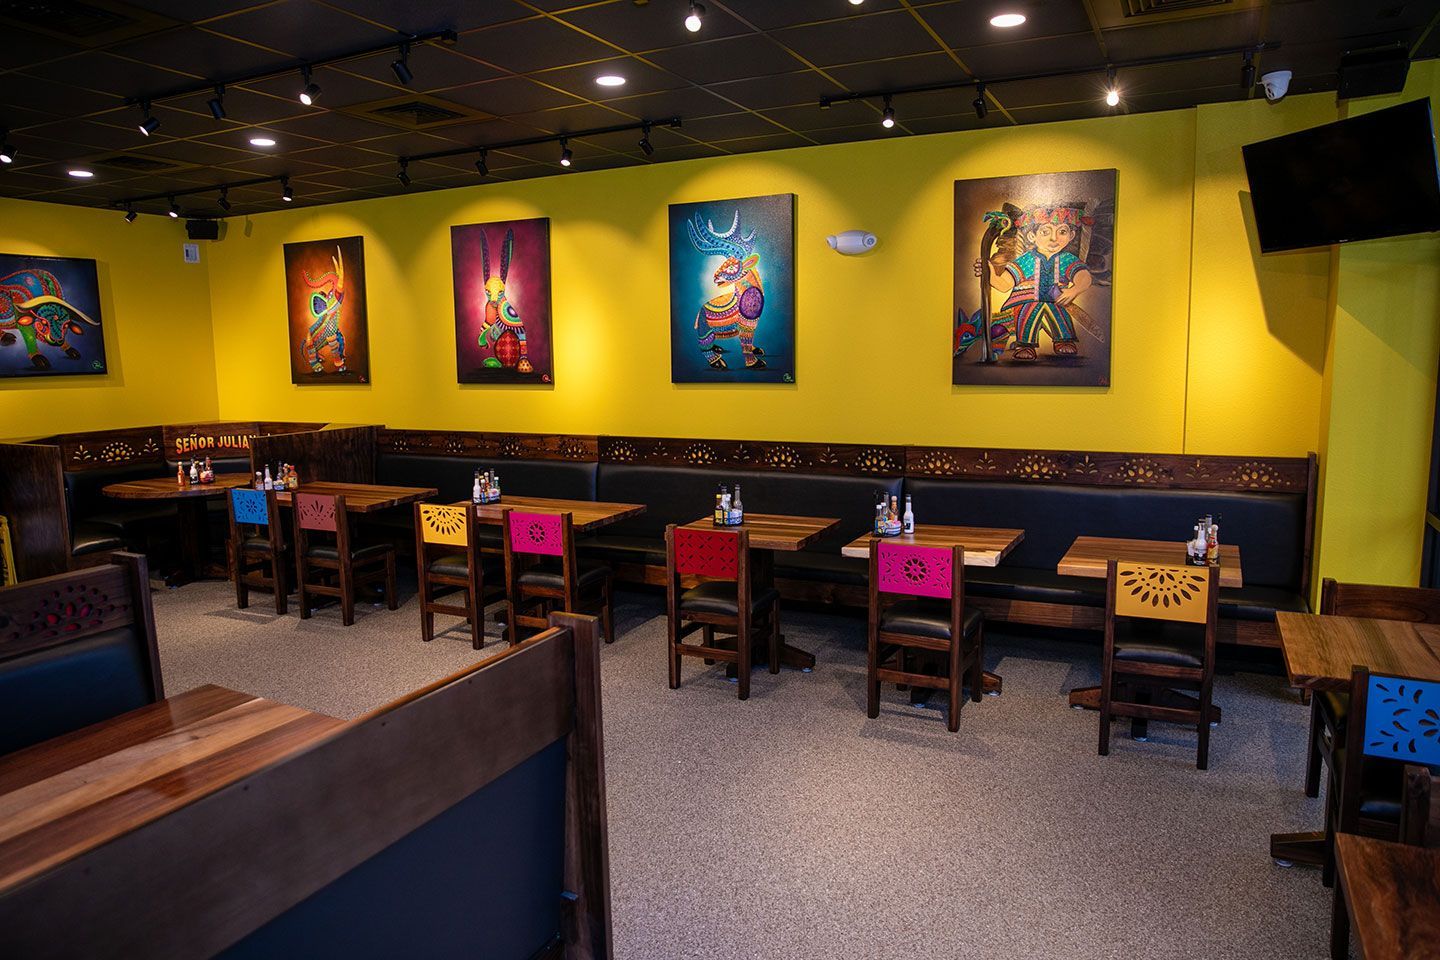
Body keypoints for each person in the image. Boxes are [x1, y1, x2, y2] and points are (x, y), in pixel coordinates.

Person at [974, 205, 1093, 362]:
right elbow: (1004, 285)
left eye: (1062, 232)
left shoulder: (1067, 260)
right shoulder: (1026, 261)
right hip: (1027, 302)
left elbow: (1084, 277)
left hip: (1057, 302)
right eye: (1045, 232)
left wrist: (1074, 290)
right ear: (1032, 236)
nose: (1054, 238)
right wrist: (988, 273)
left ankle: (1064, 340)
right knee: (1027, 310)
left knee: (1059, 310)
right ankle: (1025, 344)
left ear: (1071, 235)